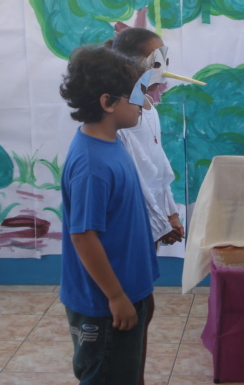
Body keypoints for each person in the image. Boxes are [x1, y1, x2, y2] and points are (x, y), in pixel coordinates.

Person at [59, 45, 159, 384]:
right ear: (108, 102)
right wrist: (116, 296)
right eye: (136, 95)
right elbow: (83, 236)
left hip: (127, 290)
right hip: (104, 306)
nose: (144, 102)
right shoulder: (92, 164)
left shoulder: (112, 143)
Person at [108, 27, 185, 385]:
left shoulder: (148, 107)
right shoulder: (122, 116)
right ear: (133, 64)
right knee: (132, 309)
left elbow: (157, 167)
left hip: (149, 226)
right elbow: (137, 178)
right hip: (132, 226)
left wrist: (171, 213)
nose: (164, 65)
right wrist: (159, 225)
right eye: (156, 59)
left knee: (143, 305)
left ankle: (133, 376)